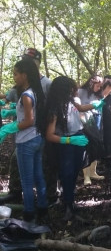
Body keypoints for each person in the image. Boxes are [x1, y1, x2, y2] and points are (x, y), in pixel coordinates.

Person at [43, 76, 102, 221]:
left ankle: (69, 200)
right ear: (63, 90)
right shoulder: (55, 108)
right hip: (67, 144)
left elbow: (81, 108)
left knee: (75, 171)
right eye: (71, 88)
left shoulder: (71, 102)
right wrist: (68, 140)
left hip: (79, 139)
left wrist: (97, 104)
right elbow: (49, 135)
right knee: (67, 174)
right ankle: (68, 206)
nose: (74, 91)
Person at [0, 58, 46, 222]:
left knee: (27, 180)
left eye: (15, 74)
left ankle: (28, 213)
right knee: (38, 176)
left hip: (26, 141)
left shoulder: (26, 95)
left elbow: (29, 120)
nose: (14, 77)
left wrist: (9, 128)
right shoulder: (34, 91)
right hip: (37, 138)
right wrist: (11, 110)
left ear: (24, 75)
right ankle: (42, 208)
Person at [78, 75, 105, 185]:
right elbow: (77, 107)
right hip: (85, 121)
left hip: (97, 119)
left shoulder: (99, 94)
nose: (99, 88)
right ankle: (86, 176)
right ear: (91, 83)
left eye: (100, 86)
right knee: (87, 147)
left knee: (96, 145)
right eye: (98, 85)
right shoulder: (80, 91)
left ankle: (93, 172)